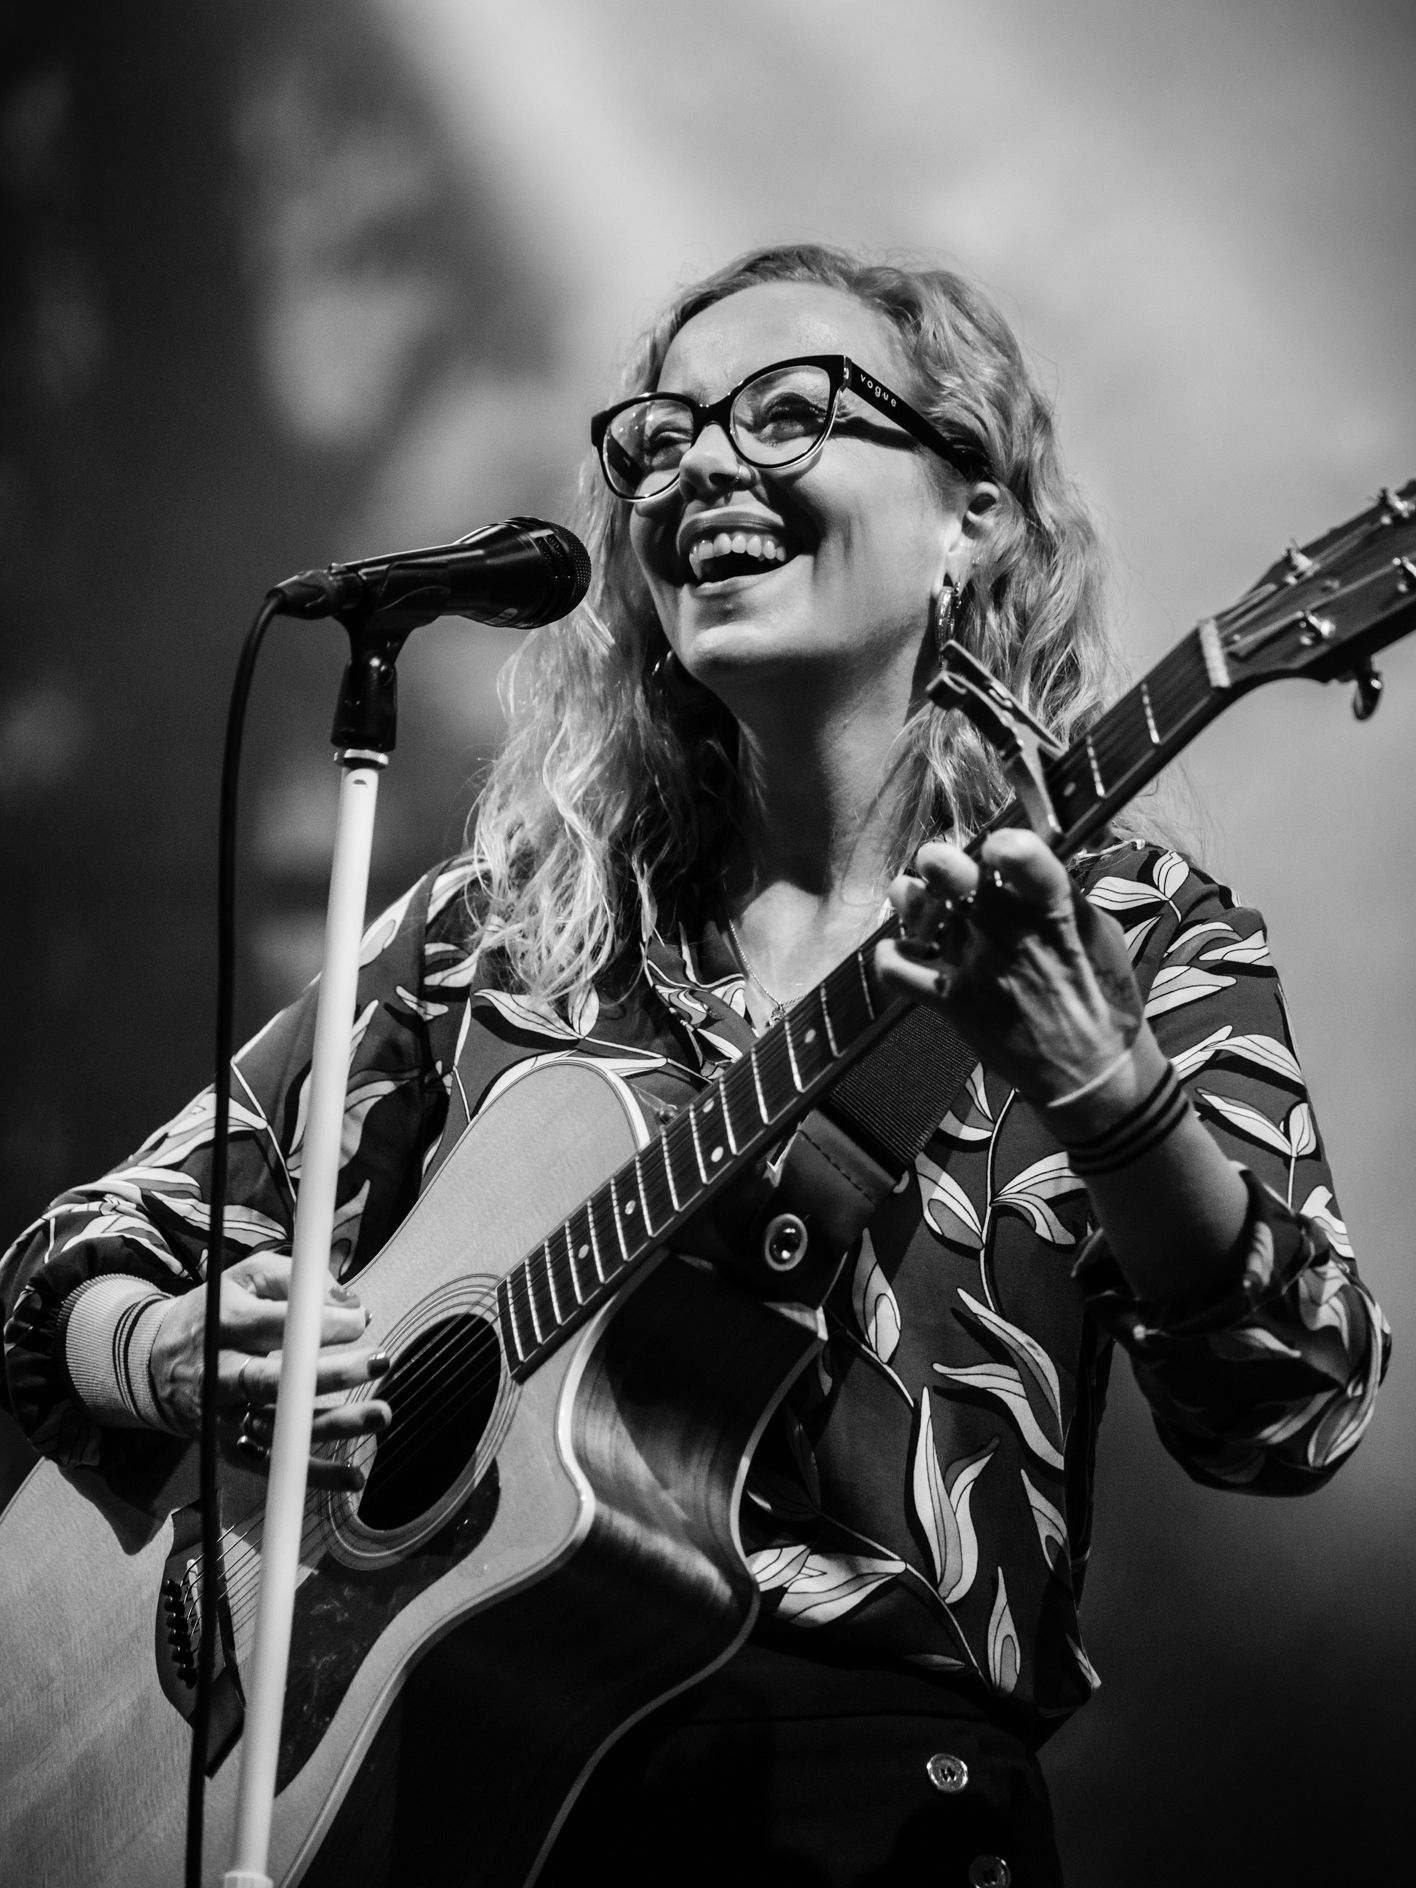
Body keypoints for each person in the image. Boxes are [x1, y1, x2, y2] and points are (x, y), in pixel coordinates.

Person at [0, 244, 1390, 1887]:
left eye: (789, 415)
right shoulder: (508, 933)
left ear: (978, 515)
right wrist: (164, 1347)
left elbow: (1295, 1404)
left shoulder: (1132, 939)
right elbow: (73, 1256)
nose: (707, 465)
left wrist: (1112, 1093)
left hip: (859, 1819)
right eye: (659, 440)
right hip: (425, 1793)